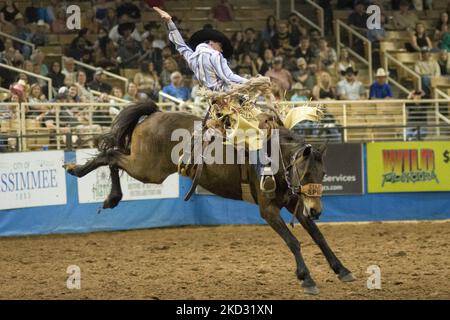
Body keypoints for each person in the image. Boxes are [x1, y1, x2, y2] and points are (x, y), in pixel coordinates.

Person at [153, 6, 275, 193]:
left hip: (215, 106)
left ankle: (187, 160)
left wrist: (169, 22)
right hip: (232, 102)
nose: (222, 49)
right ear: (214, 43)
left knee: (204, 129)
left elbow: (179, 44)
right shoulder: (216, 55)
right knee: (258, 128)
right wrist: (254, 81)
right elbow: (229, 77)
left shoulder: (193, 57)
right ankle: (265, 171)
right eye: (221, 46)